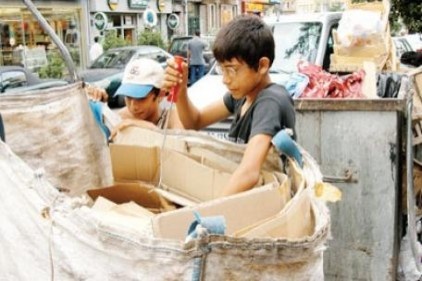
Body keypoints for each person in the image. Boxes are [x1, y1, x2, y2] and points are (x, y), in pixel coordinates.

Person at [163, 15, 296, 197]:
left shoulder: (269, 101)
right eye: (222, 69)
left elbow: (249, 173)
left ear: (262, 65)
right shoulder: (241, 97)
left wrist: (209, 210)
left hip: (268, 203)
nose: (225, 79)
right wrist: (181, 90)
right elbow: (194, 121)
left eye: (232, 70)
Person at [110, 57, 183, 139]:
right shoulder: (120, 118)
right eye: (128, 97)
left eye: (141, 98)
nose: (133, 106)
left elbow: (179, 142)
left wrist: (144, 126)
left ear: (160, 94)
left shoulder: (171, 118)